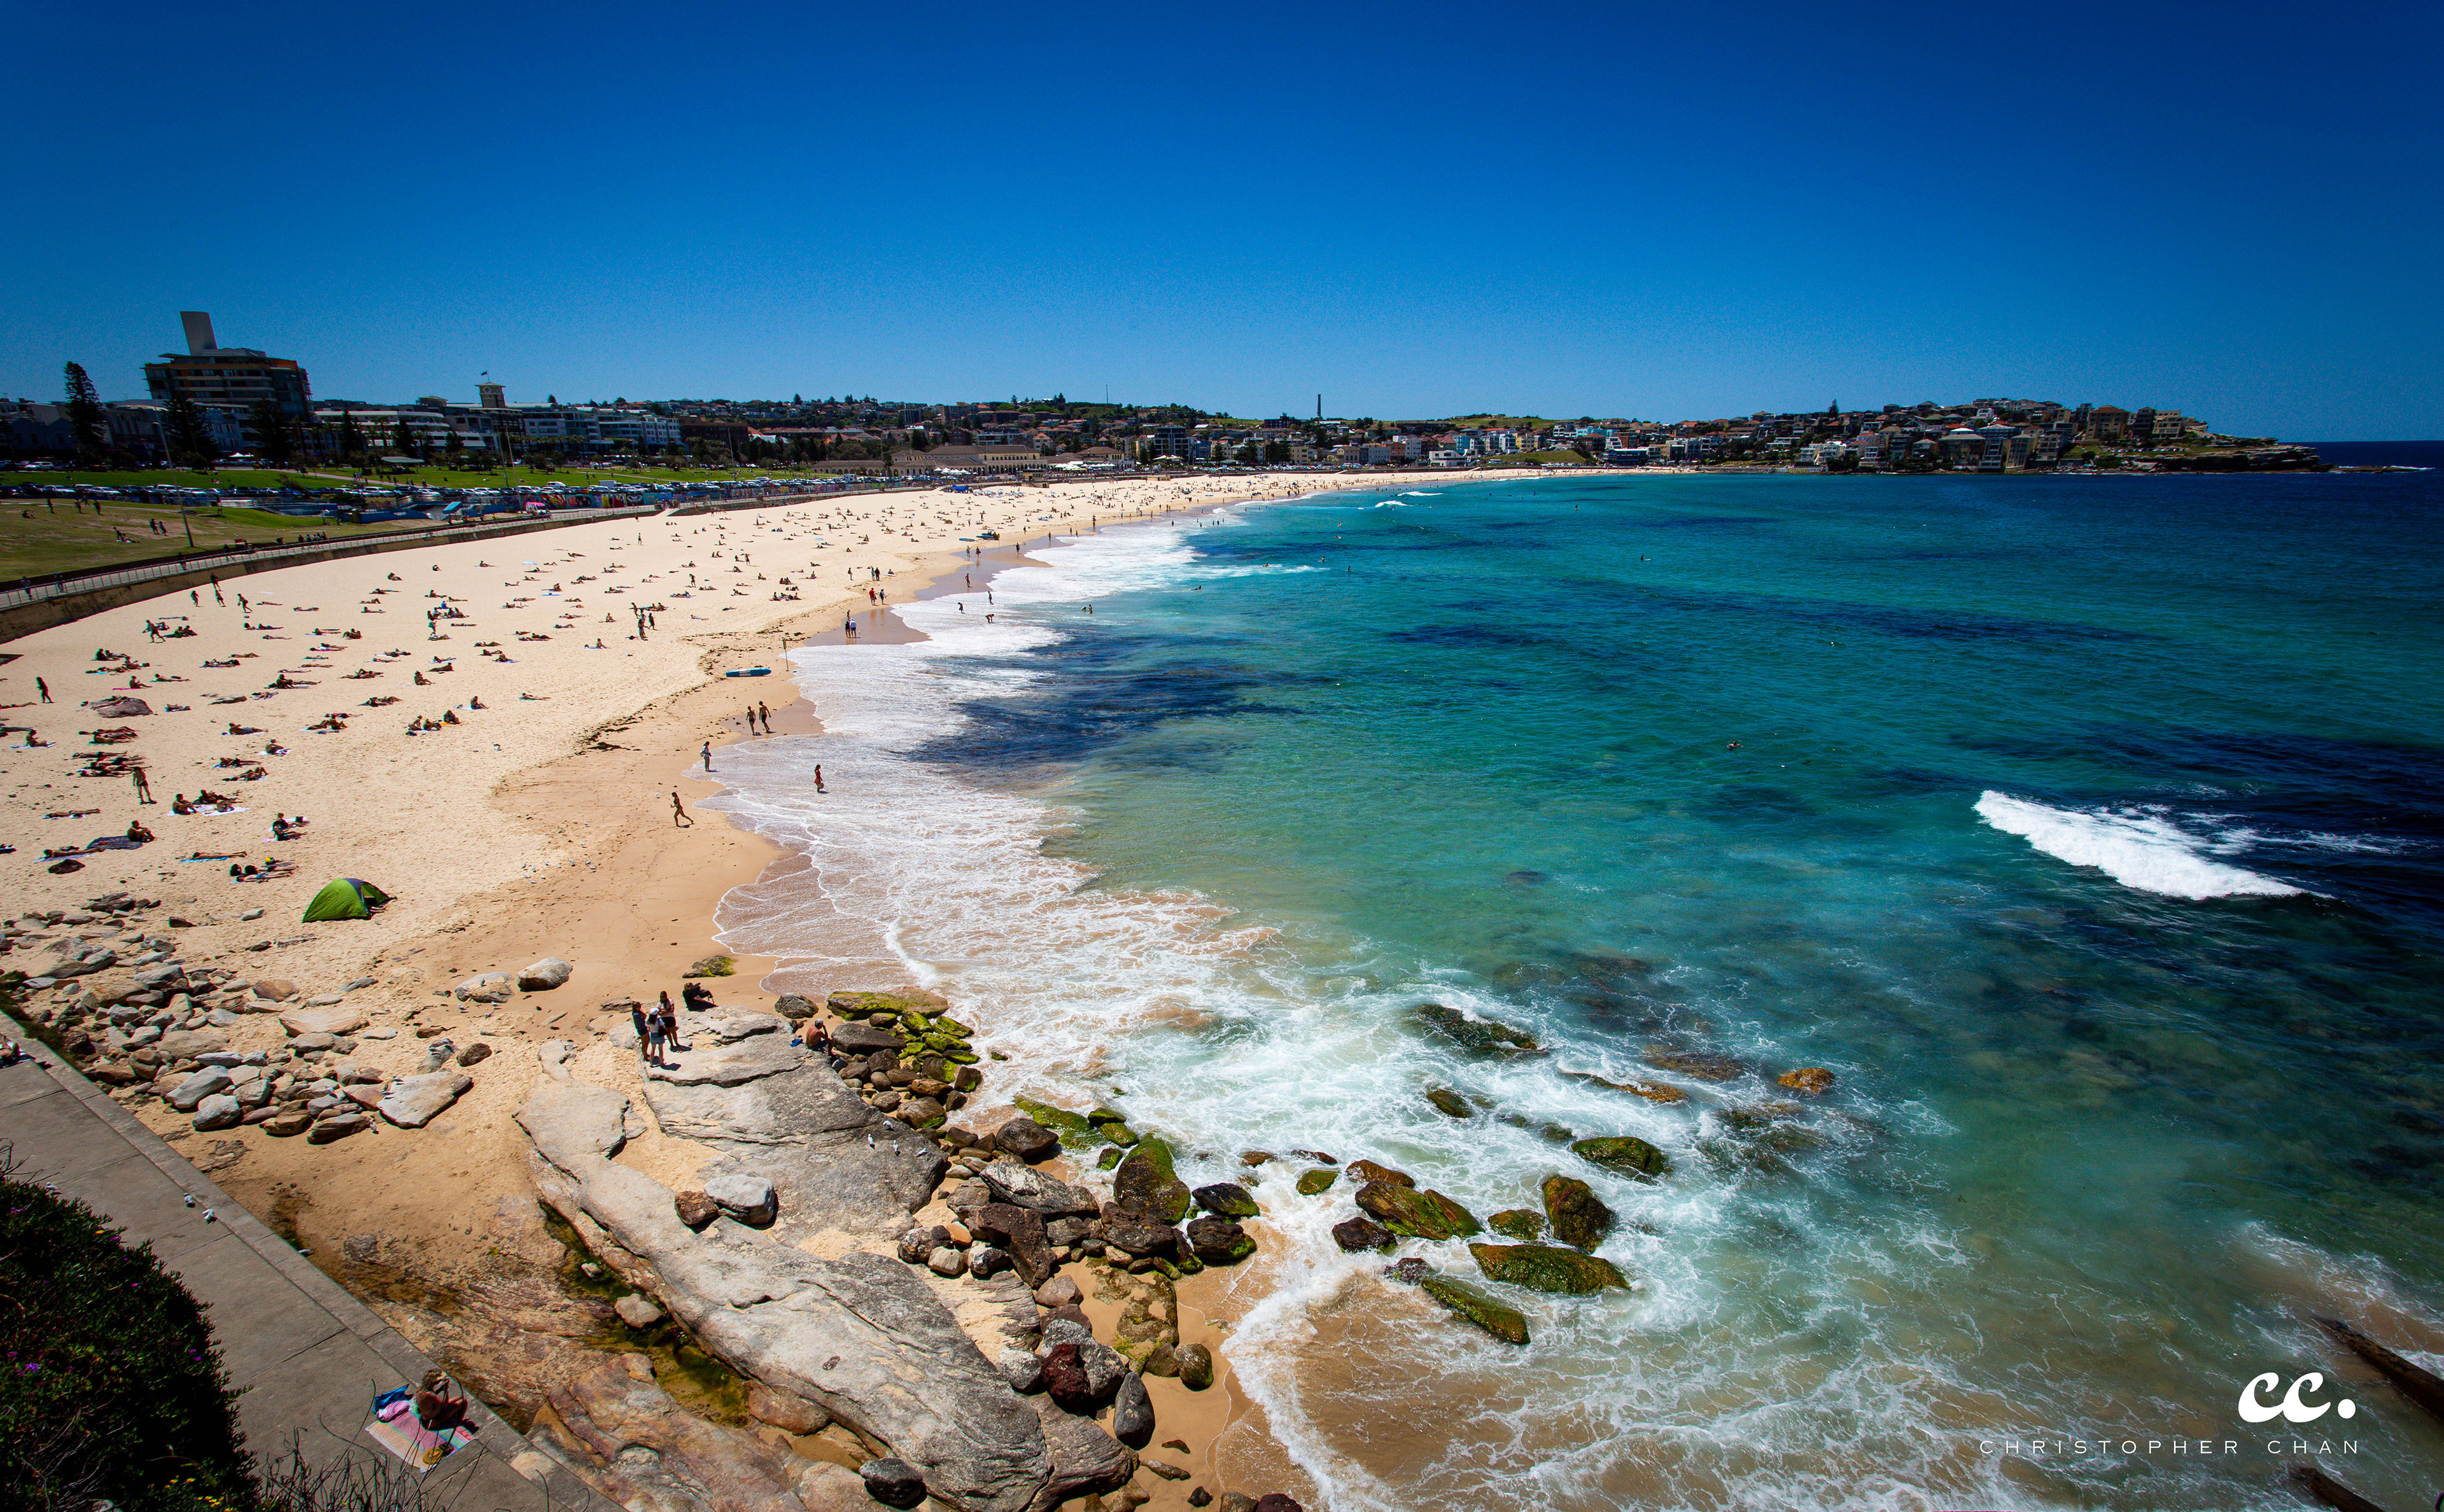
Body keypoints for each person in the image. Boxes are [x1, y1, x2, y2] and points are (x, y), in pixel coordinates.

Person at [412, 1369, 468, 1436]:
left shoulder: (422, 1389)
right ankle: (459, 1422)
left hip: (427, 1416)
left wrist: (441, 1389)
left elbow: (431, 1397)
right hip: (433, 1420)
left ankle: (453, 1415)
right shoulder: (429, 1394)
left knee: (459, 1398)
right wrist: (446, 1390)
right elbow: (445, 1404)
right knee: (464, 1402)